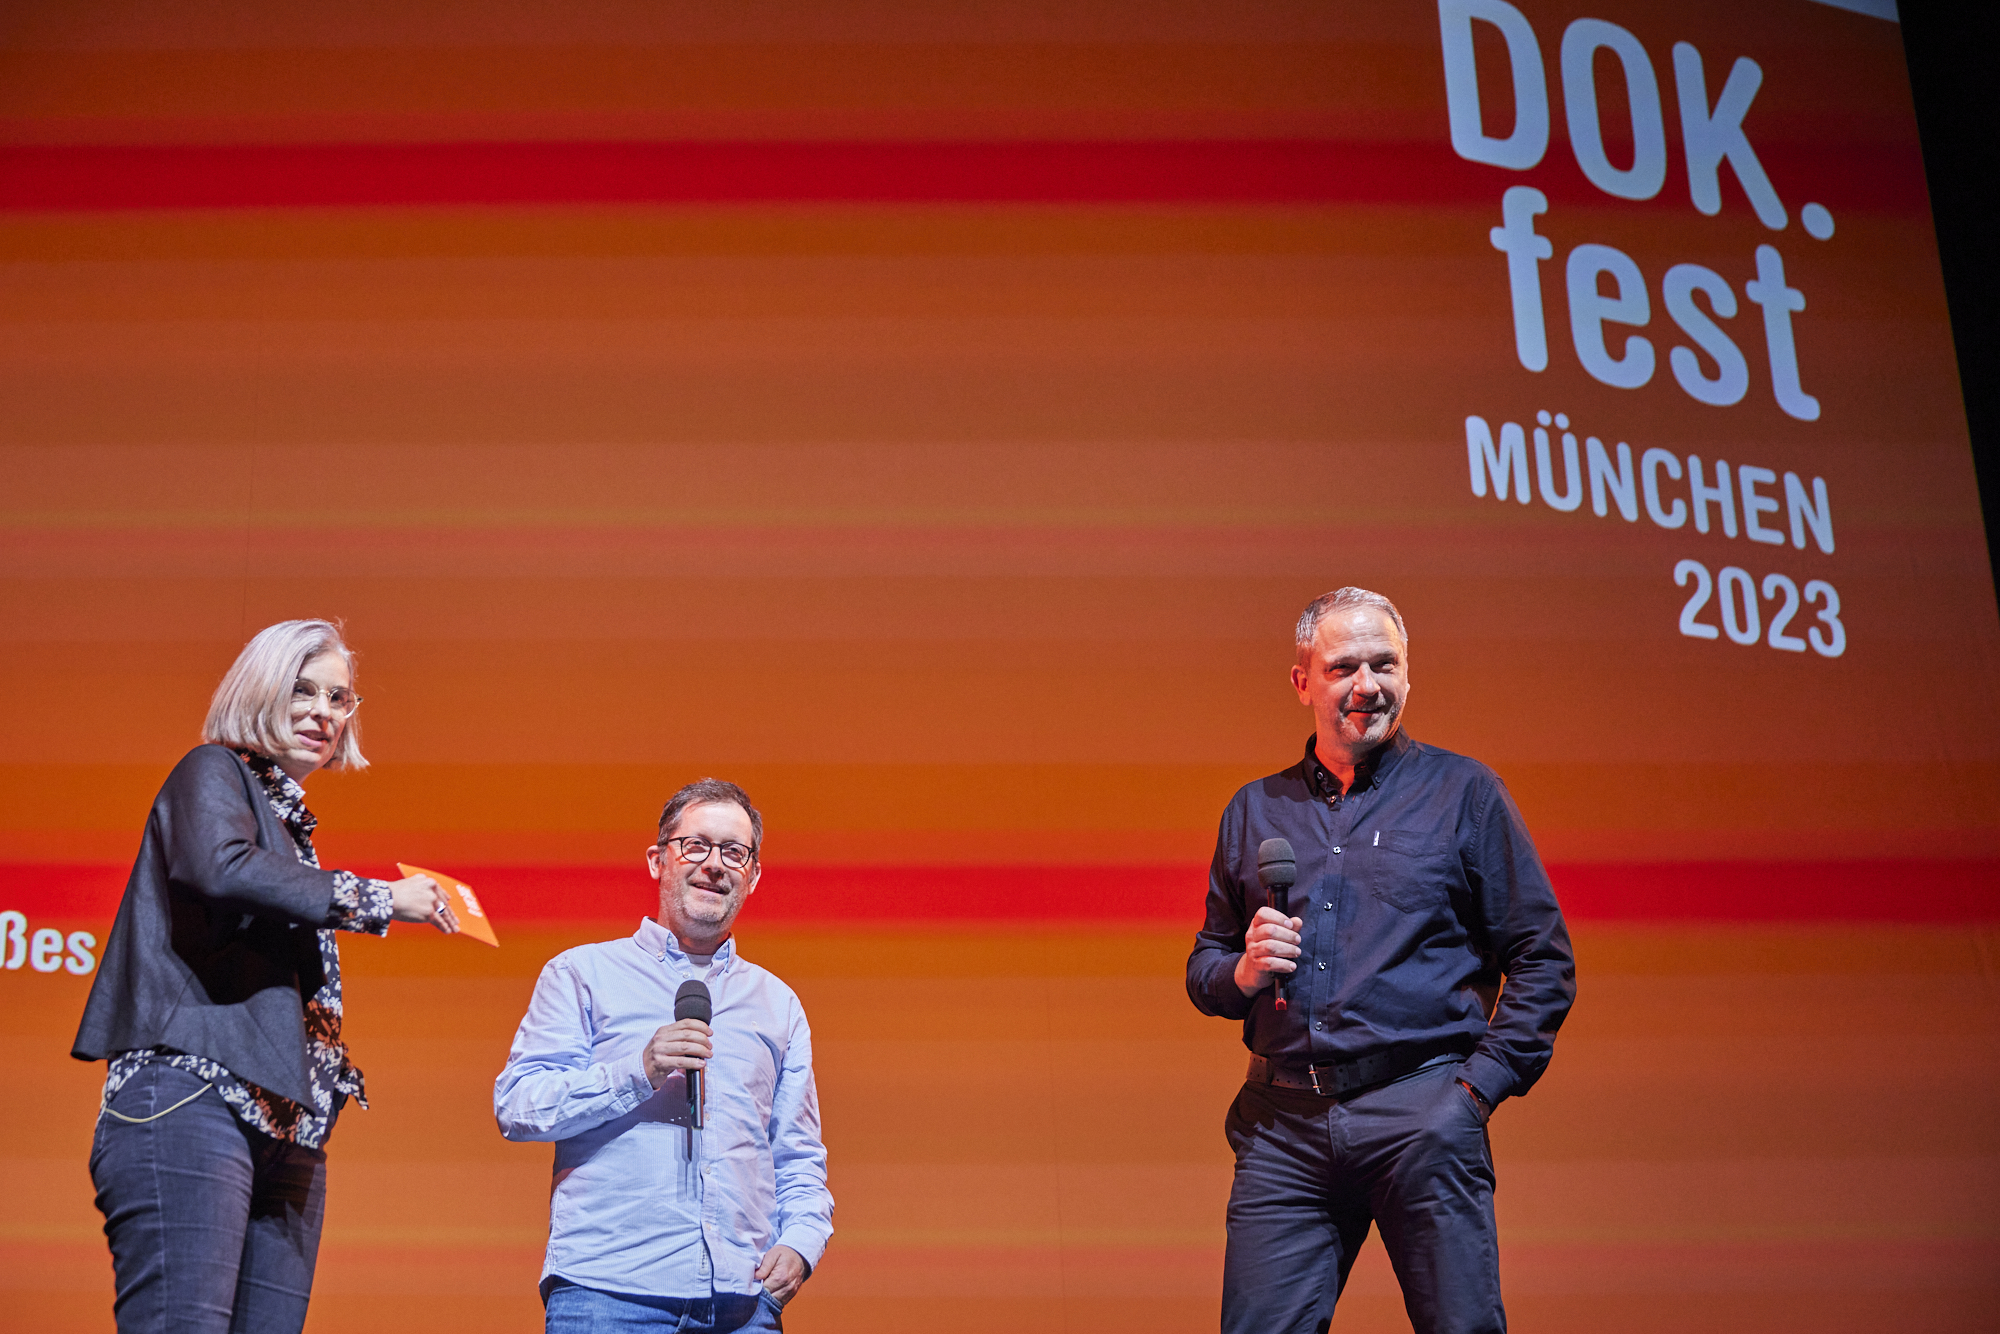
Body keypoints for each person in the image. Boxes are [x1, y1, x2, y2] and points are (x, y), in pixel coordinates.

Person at [1187, 587, 1576, 1334]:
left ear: (1407, 673)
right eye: (1343, 668)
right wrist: (1241, 972)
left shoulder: (1464, 794)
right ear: (1303, 681)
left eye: (1384, 664)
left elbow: (1542, 958)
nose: (1367, 685)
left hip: (1420, 1115)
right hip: (1283, 1129)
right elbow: (1206, 965)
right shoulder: (1254, 810)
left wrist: (1471, 1096)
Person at [72, 618, 459, 1333]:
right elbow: (221, 868)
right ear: (260, 691)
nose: (323, 712)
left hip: (288, 1128)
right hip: (192, 1097)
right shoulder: (211, 771)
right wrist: (379, 898)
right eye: (302, 691)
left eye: (339, 698)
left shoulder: (291, 830)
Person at [495, 779, 832, 1332]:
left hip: (742, 1303)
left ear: (753, 876)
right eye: (695, 846)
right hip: (607, 1297)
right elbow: (518, 1106)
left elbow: (797, 1155)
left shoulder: (778, 1004)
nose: (714, 865)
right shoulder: (581, 974)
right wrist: (638, 1070)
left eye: (734, 852)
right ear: (658, 860)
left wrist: (801, 1242)